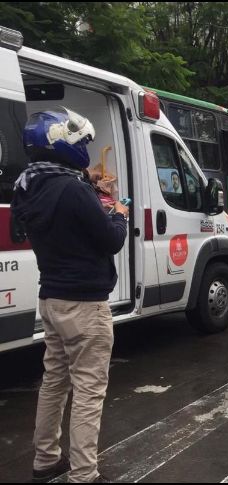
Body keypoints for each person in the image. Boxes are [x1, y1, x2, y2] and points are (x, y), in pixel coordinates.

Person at [11, 108, 128, 483]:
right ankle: (84, 475)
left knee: (54, 382)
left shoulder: (28, 184)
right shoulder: (74, 190)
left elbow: (63, 199)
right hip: (85, 306)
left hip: (53, 298)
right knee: (89, 392)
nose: (87, 152)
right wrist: (118, 211)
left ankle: (46, 459)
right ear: (64, 143)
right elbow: (111, 239)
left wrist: (88, 182)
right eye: (82, 143)